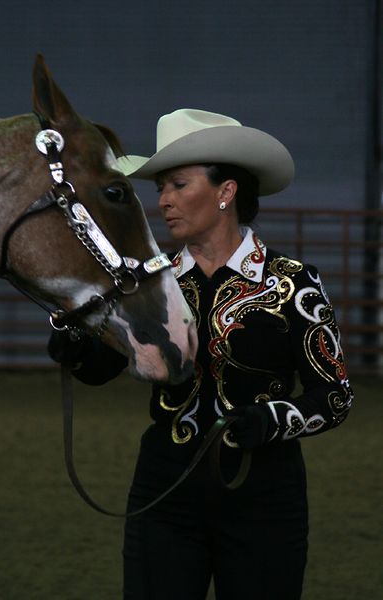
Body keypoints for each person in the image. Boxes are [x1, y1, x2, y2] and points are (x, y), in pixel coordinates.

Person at [48, 108, 353, 600]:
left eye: (177, 185)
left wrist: (273, 419)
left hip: (265, 503)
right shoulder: (147, 284)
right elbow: (102, 368)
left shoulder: (294, 282)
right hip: (162, 497)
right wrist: (76, 348)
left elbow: (334, 396)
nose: (163, 201)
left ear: (226, 192)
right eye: (161, 189)